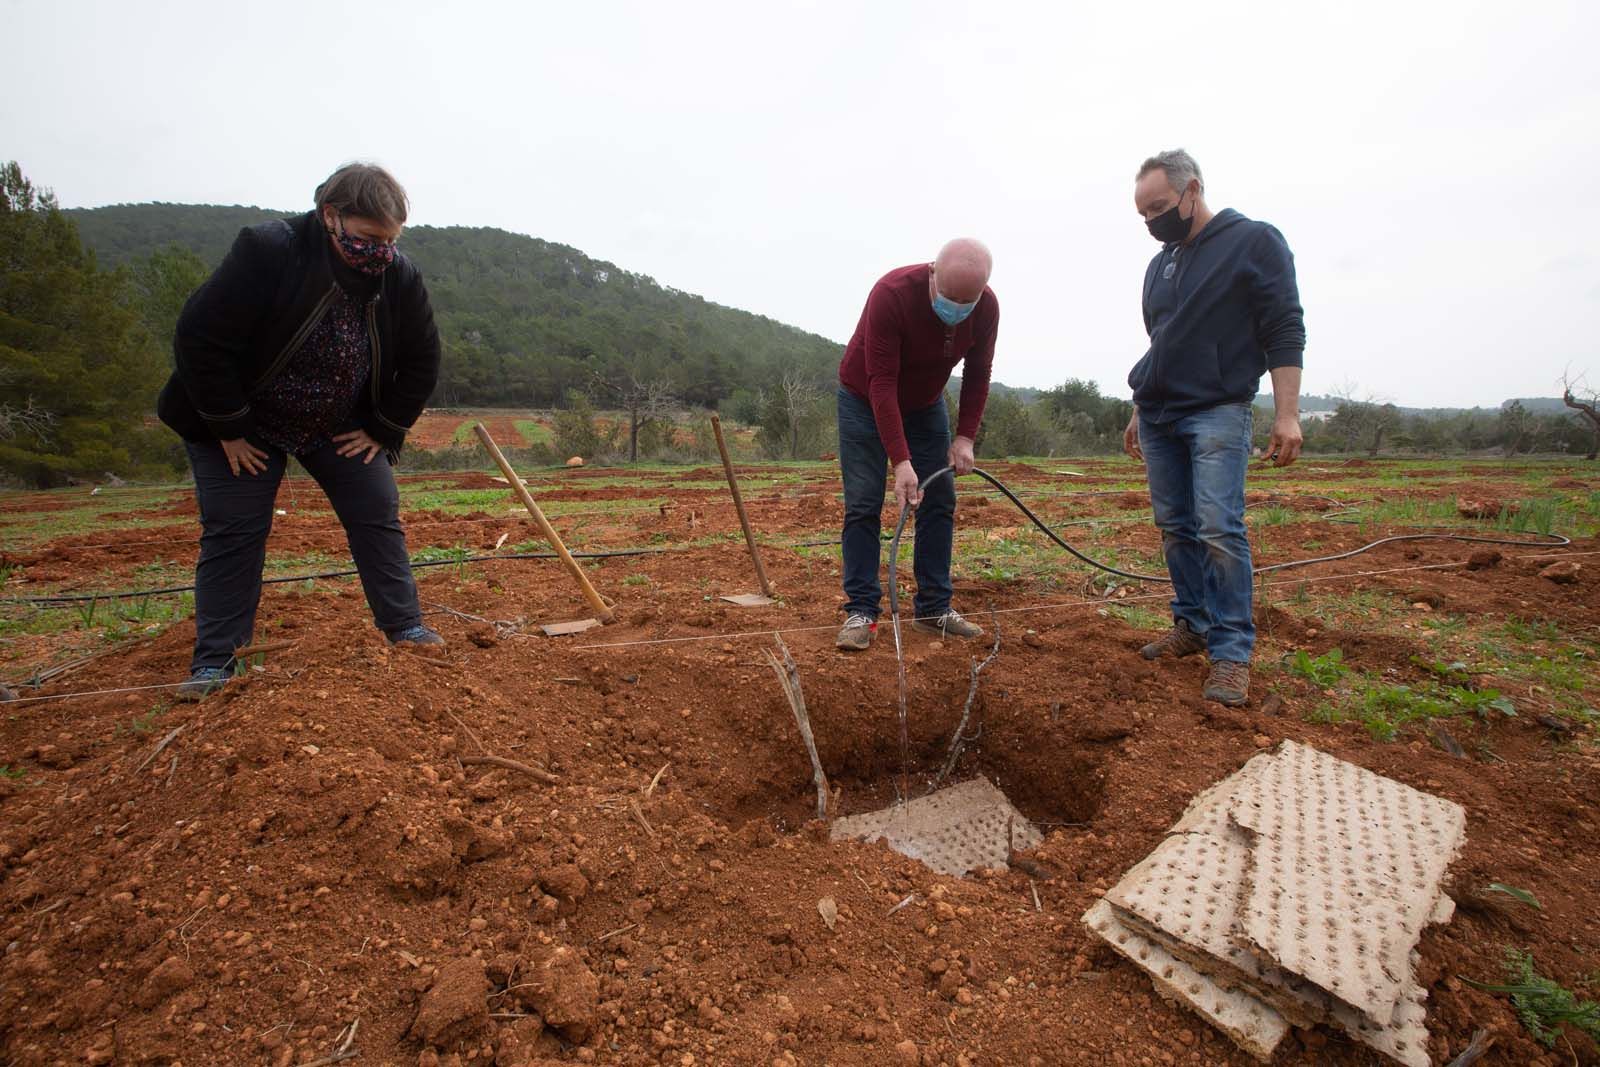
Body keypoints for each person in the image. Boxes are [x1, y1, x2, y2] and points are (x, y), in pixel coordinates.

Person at [156, 162, 443, 700]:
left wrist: (382, 428)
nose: (379, 252)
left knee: (376, 512)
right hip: (241, 422)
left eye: (390, 241)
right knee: (236, 530)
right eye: (367, 238)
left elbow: (423, 360)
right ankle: (216, 663)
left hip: (336, 422)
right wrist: (231, 427)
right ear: (330, 216)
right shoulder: (270, 251)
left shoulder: (398, 275)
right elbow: (200, 339)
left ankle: (405, 628)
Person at [1123, 149, 1305, 706]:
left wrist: (1287, 411)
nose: (1153, 221)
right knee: (1175, 525)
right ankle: (1193, 624)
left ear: (1192, 191)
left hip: (1217, 409)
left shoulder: (1253, 242)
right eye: (1143, 215)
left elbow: (1284, 324)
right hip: (1158, 411)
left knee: (1218, 526)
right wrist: (1138, 405)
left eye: (1159, 207)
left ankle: (1230, 653)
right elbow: (1162, 341)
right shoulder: (1161, 264)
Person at [834, 238, 999, 651]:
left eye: (968, 300)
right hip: (863, 398)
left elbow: (978, 374)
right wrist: (901, 462)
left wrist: (964, 438)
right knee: (863, 502)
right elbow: (882, 383)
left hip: (926, 405)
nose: (957, 308)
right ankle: (862, 611)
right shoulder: (891, 295)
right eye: (949, 297)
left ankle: (933, 608)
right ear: (931, 273)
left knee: (939, 498)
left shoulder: (987, 309)